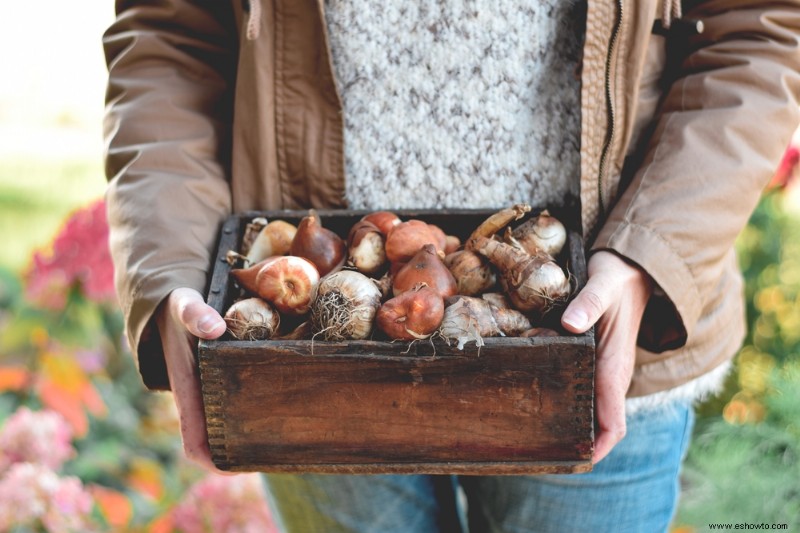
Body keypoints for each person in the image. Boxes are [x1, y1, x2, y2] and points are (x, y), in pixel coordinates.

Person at [103, 0, 800, 531]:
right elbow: (171, 36)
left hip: (592, 334)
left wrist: (652, 249)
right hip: (314, 351)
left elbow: (760, 27)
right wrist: (171, 259)